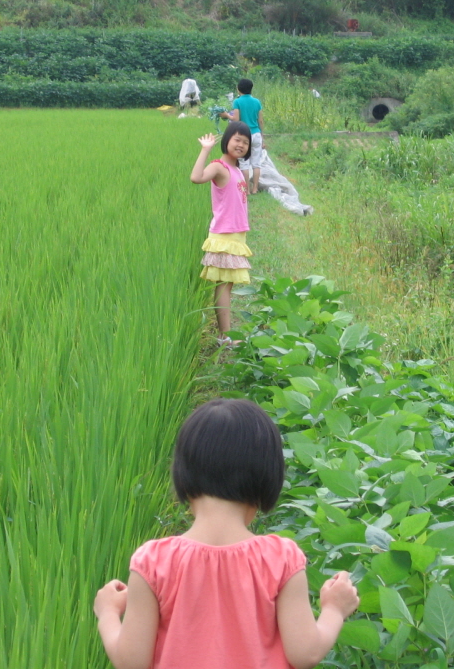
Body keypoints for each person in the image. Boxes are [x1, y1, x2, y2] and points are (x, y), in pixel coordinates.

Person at [93, 399, 360, 669]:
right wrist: (334, 609)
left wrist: (107, 613)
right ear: (268, 477)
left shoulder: (153, 562)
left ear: (182, 473)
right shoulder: (280, 559)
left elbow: (131, 663)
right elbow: (306, 653)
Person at [189, 123, 252, 343]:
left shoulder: (237, 170)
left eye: (245, 142)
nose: (241, 145)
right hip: (224, 235)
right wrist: (205, 149)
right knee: (224, 285)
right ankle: (225, 335)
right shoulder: (219, 167)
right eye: (237, 139)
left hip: (235, 235)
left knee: (227, 284)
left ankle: (225, 333)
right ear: (226, 140)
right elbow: (196, 177)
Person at [223, 78, 265, 195]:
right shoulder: (257, 102)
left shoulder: (237, 102)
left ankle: (246, 190)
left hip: (244, 135)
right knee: (256, 163)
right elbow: (260, 120)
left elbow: (236, 119)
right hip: (256, 134)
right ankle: (255, 188)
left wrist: (226, 115)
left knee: (244, 163)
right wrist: (262, 137)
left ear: (238, 89)